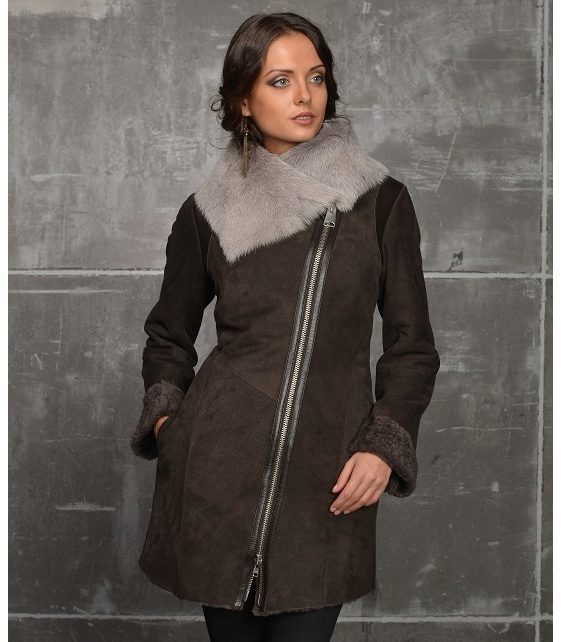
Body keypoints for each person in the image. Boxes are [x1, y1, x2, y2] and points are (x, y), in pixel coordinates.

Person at [130, 11, 440, 642]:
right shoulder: (207, 211)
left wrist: (385, 443)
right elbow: (168, 334)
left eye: (316, 77)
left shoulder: (379, 201)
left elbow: (412, 348)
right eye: (280, 80)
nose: (304, 96)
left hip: (326, 477)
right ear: (243, 100)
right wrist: (170, 424)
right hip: (217, 474)